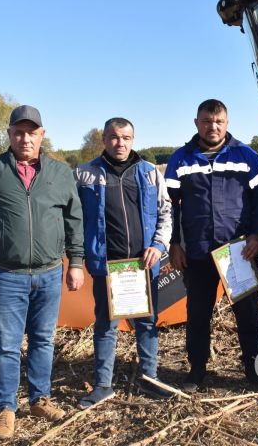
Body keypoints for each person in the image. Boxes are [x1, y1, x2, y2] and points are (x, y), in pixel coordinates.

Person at [0, 105, 85, 440]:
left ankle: (40, 399)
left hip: (50, 272)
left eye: (32, 132)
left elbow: (74, 219)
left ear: (42, 135)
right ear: (10, 135)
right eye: (18, 132)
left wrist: (77, 263)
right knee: (8, 345)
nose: (25, 138)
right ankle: (6, 408)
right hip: (7, 274)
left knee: (43, 339)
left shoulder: (60, 172)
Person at [165, 99, 258, 392]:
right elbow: (169, 207)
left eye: (219, 121)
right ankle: (196, 369)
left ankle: (254, 369)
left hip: (239, 250)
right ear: (196, 123)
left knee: (247, 313)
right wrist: (174, 244)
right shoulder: (180, 160)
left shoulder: (246, 155)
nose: (213, 127)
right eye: (207, 121)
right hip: (197, 251)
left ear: (227, 123)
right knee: (198, 313)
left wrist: (257, 235)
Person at [74, 118, 173, 408]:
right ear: (104, 139)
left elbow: (165, 212)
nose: (121, 143)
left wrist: (158, 245)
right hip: (107, 266)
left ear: (133, 139)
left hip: (143, 266)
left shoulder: (149, 173)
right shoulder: (85, 175)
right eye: (115, 137)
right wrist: (81, 258)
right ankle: (103, 384)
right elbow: (75, 220)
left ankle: (149, 378)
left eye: (126, 138)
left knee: (146, 322)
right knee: (106, 324)